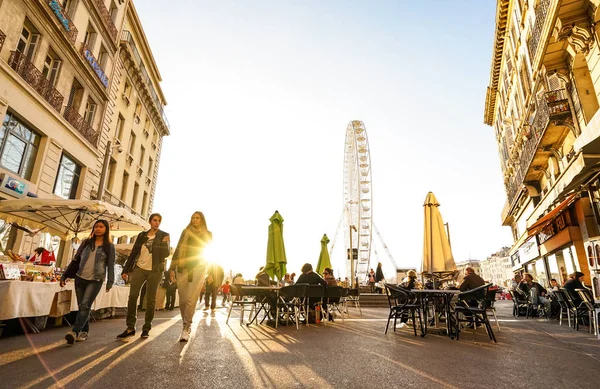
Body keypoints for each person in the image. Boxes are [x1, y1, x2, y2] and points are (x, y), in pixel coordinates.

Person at [60, 220, 115, 345]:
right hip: (80, 277)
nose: (98, 229)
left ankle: (74, 332)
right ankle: (85, 331)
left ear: (106, 229)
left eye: (101, 227)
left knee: (85, 305)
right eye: (96, 226)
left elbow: (110, 265)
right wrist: (65, 275)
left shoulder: (109, 247)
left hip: (95, 280)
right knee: (83, 306)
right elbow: (75, 260)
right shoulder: (86, 242)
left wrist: (110, 281)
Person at [117, 213, 170, 340]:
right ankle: (130, 327)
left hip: (155, 271)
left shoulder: (164, 235)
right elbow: (134, 252)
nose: (157, 223)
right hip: (139, 268)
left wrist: (164, 243)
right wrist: (126, 269)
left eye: (159, 221)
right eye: (154, 220)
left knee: (151, 299)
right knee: (133, 296)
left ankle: (146, 328)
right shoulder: (142, 235)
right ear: (150, 221)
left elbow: (166, 254)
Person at [169, 211, 212, 342]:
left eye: (197, 218)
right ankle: (185, 323)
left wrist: (210, 272)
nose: (194, 220)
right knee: (182, 300)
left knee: (191, 300)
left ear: (202, 220)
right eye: (193, 218)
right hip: (182, 268)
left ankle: (186, 327)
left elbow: (210, 252)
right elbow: (177, 250)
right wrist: (171, 268)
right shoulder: (185, 231)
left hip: (199, 268)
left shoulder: (208, 234)